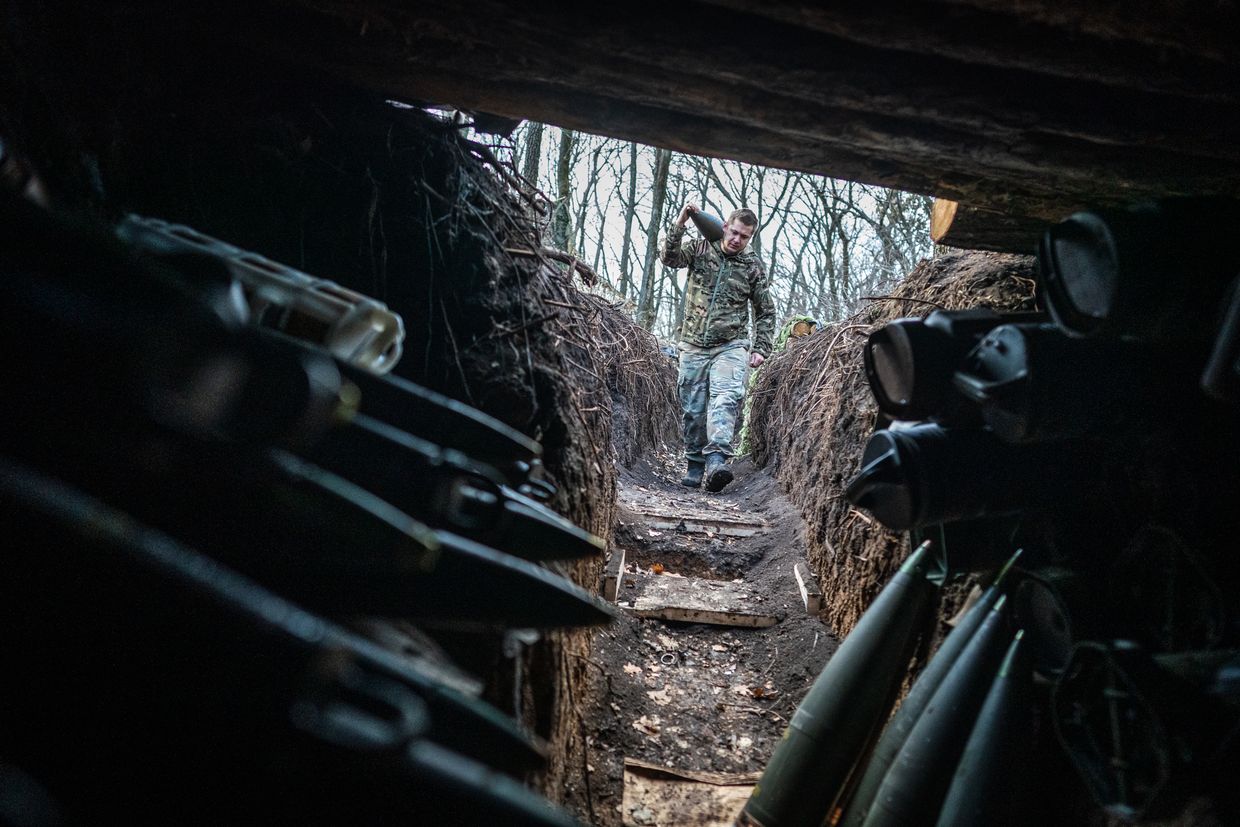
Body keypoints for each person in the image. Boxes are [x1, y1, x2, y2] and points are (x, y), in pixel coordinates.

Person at [660, 204, 775, 492]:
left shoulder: (752, 266)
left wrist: (761, 347)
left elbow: (765, 311)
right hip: (693, 344)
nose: (737, 239)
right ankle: (695, 465)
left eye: (745, 236)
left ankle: (715, 462)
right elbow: (669, 258)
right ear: (725, 226)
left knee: (725, 398)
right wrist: (681, 221)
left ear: (750, 238)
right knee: (693, 409)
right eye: (734, 232)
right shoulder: (700, 249)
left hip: (731, 345)